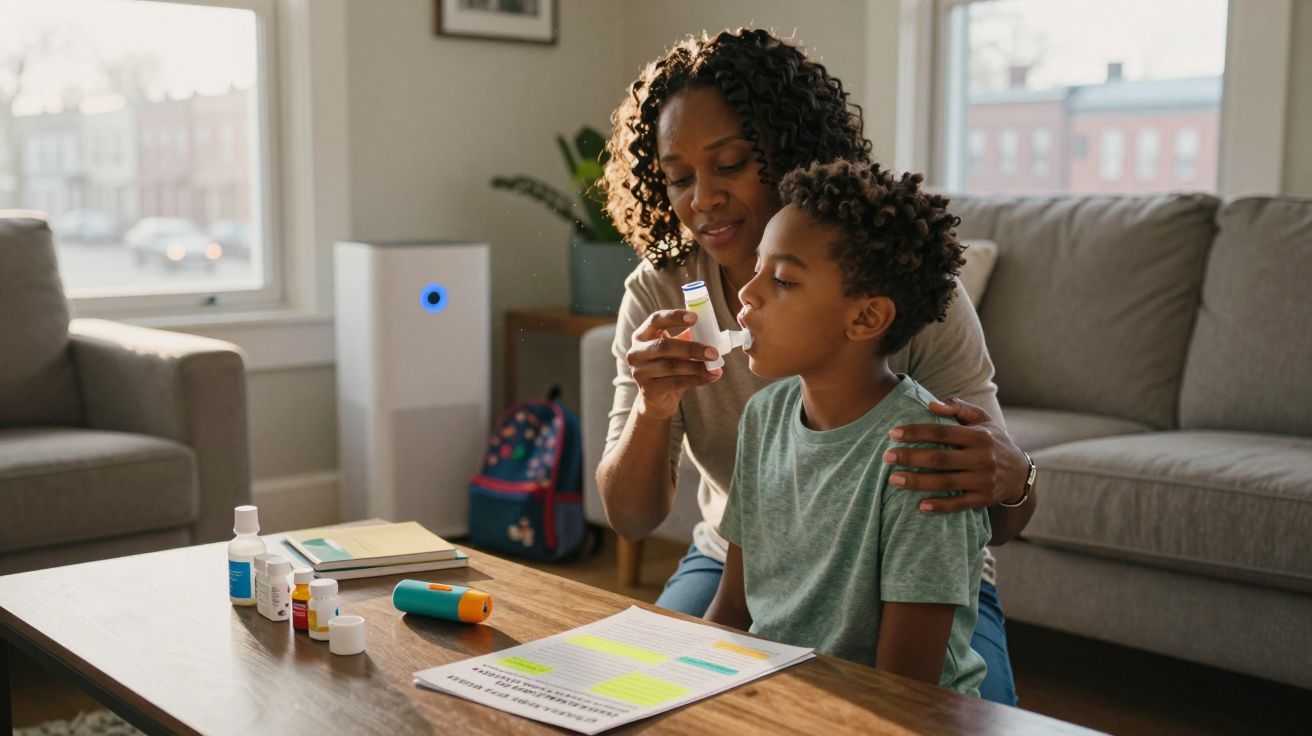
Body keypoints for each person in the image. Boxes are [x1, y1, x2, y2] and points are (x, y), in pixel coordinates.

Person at [597, 28, 1035, 706]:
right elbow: (636, 524)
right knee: (637, 699)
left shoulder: (910, 296)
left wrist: (1014, 477)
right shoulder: (668, 296)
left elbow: (903, 687)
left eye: (733, 163)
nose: (702, 199)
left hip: (907, 584)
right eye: (680, 178)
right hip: (741, 563)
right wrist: (654, 412)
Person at [705, 158, 989, 694]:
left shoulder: (924, 453)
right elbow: (734, 607)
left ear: (865, 318)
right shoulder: (763, 418)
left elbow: (903, 689)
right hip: (777, 696)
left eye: (784, 279)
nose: (749, 292)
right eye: (758, 267)